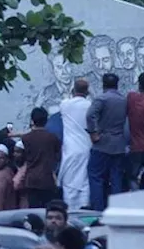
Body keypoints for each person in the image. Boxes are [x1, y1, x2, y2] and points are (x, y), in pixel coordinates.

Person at [85, 73, 128, 212]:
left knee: (95, 176)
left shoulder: (101, 99)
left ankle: (98, 209)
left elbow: (90, 115)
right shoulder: (123, 100)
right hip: (119, 144)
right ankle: (116, 209)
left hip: (102, 143)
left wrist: (93, 132)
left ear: (103, 84)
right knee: (116, 178)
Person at [58, 78, 92, 210]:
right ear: (87, 92)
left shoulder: (65, 105)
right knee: (83, 182)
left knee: (69, 182)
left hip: (70, 149)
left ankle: (70, 210)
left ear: (73, 90)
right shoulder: (90, 105)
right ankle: (83, 209)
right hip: (86, 147)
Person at [21, 106, 62, 208]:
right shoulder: (52, 138)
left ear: (32, 120)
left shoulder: (26, 138)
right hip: (47, 179)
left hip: (31, 180)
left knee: (33, 209)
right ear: (46, 120)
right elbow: (58, 156)